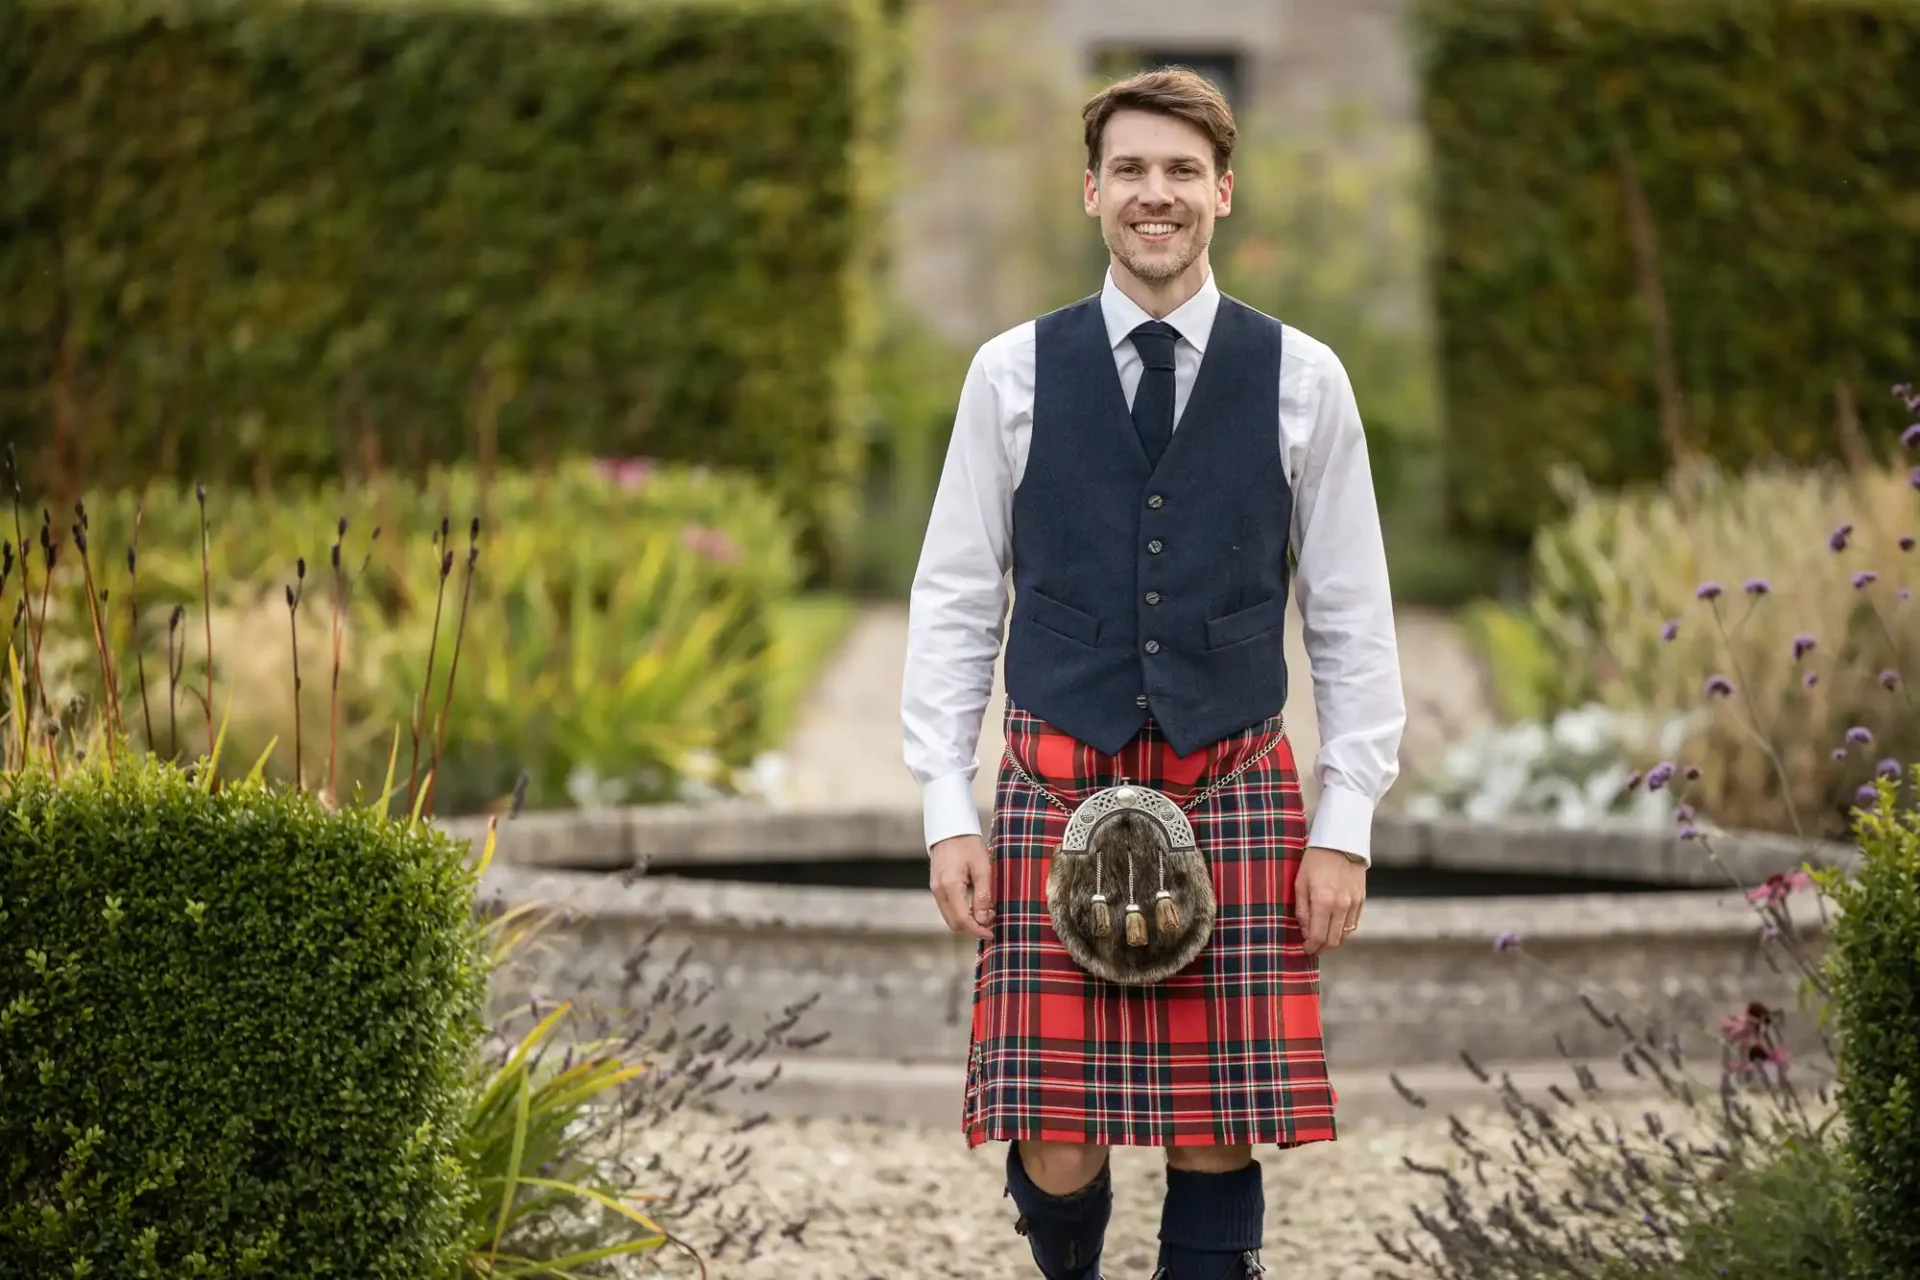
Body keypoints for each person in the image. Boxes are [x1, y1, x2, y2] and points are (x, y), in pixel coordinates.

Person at [900, 66, 1406, 1280]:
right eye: (1130, 169)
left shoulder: (1305, 380)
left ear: (1223, 192)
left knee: (1219, 1129)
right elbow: (958, 597)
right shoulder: (1008, 374)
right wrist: (942, 806)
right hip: (1053, 781)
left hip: (1231, 782)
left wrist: (1346, 821)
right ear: (1091, 192)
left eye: (1182, 170)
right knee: (1058, 1135)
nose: (1155, 194)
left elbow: (1350, 614)